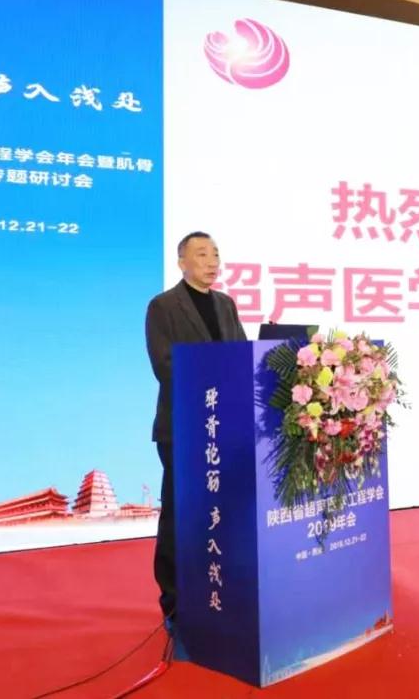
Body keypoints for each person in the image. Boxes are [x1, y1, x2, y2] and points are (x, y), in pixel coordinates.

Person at [145, 232, 247, 627]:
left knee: (222, 515)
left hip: (224, 428)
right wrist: (215, 378)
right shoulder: (163, 306)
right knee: (179, 516)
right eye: (201, 254)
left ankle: (220, 592)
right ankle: (174, 603)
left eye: (215, 254)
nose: (212, 261)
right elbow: (165, 365)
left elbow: (240, 355)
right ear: (181, 263)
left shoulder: (225, 304)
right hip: (182, 429)